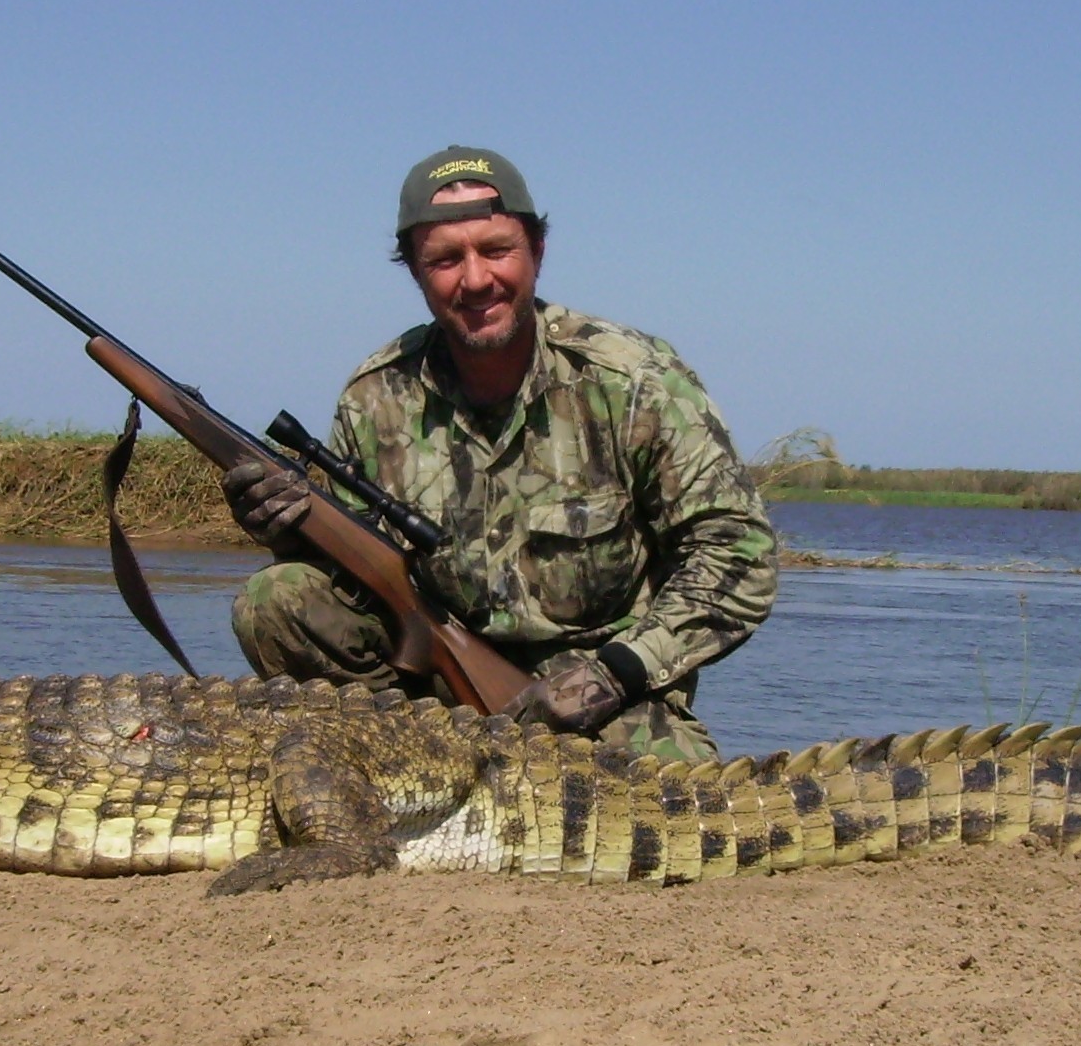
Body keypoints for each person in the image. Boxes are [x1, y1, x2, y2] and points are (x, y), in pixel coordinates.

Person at [223, 145, 777, 761]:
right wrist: (288, 532)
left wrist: (618, 672)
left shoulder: (635, 381)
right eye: (445, 259)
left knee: (673, 804)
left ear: (536, 252)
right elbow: (356, 580)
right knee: (276, 599)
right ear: (413, 270)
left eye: (495, 250)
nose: (476, 279)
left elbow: (738, 556)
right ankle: (397, 757)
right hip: (432, 677)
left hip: (599, 693)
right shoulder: (374, 396)